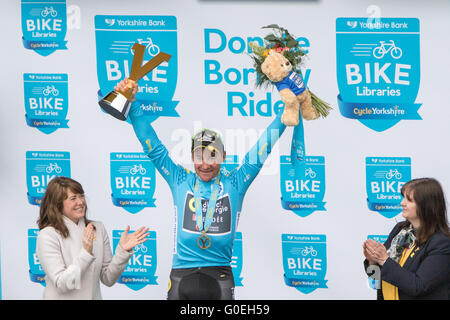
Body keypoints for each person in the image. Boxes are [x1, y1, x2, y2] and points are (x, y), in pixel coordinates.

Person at [115, 78, 290, 299]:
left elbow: (262, 148)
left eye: (212, 156)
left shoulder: (235, 183)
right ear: (191, 156)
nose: (205, 164)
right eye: (199, 156)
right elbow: (153, 147)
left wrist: (287, 112)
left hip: (219, 277)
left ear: (224, 156)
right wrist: (134, 104)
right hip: (181, 276)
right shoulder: (180, 180)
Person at [36, 176, 150, 299]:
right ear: (57, 204)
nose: (80, 202)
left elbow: (108, 278)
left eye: (81, 196)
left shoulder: (97, 228)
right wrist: (86, 253)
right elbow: (62, 284)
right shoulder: (48, 235)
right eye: (73, 198)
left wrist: (122, 251)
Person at [363, 178, 450, 300]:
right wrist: (372, 261)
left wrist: (383, 259)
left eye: (409, 200)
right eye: (403, 197)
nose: (403, 203)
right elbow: (378, 276)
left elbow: (419, 286)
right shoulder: (400, 230)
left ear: (426, 205)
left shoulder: (441, 242)